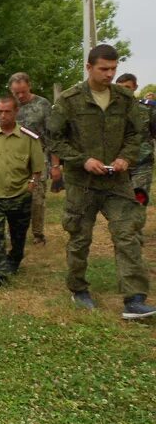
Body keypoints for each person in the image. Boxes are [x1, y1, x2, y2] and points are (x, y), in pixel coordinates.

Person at [48, 44, 156, 319]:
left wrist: (125, 158)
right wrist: (82, 160)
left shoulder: (124, 98)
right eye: (103, 69)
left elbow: (137, 133)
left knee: (127, 235)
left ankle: (134, 298)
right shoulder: (70, 100)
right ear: (89, 67)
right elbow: (54, 138)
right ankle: (79, 289)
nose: (109, 74)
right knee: (79, 238)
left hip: (117, 182)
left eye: (113, 69)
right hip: (82, 183)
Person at [0, 96, 44, 286]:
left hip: (19, 195)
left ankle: (14, 258)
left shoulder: (28, 138)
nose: (3, 115)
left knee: (18, 234)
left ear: (16, 112)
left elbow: (37, 168)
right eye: (0, 112)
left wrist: (31, 184)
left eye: (7, 111)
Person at [9, 72, 61, 245]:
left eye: (23, 91)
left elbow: (52, 136)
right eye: (16, 92)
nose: (20, 96)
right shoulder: (8, 107)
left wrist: (55, 165)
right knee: (14, 198)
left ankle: (38, 234)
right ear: (11, 90)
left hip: (39, 158)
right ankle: (16, 232)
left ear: (29, 86)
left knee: (37, 198)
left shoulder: (42, 104)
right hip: (13, 159)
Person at [115, 73, 156, 201]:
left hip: (141, 164)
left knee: (138, 203)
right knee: (120, 205)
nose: (123, 91)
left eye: (127, 87)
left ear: (134, 87)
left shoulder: (147, 109)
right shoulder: (110, 111)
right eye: (119, 87)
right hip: (118, 165)